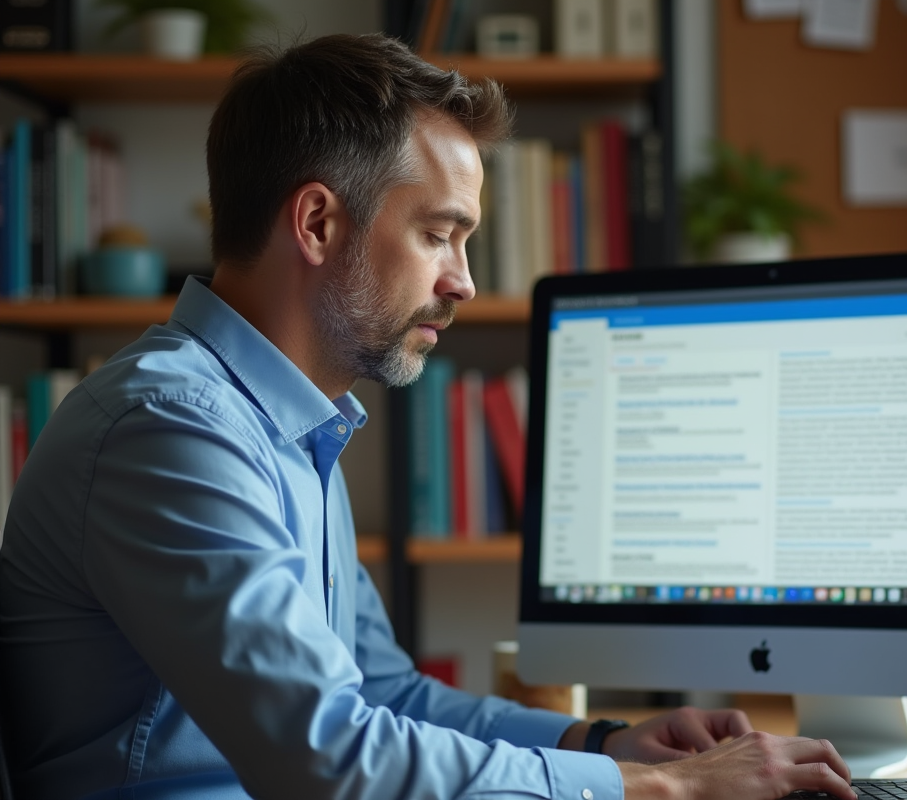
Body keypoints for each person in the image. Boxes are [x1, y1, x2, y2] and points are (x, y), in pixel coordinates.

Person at [0, 33, 856, 800]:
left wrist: (595, 741)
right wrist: (662, 790)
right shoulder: (175, 431)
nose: (465, 281)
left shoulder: (291, 426)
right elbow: (333, 761)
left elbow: (378, 695)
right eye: (441, 234)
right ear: (318, 222)